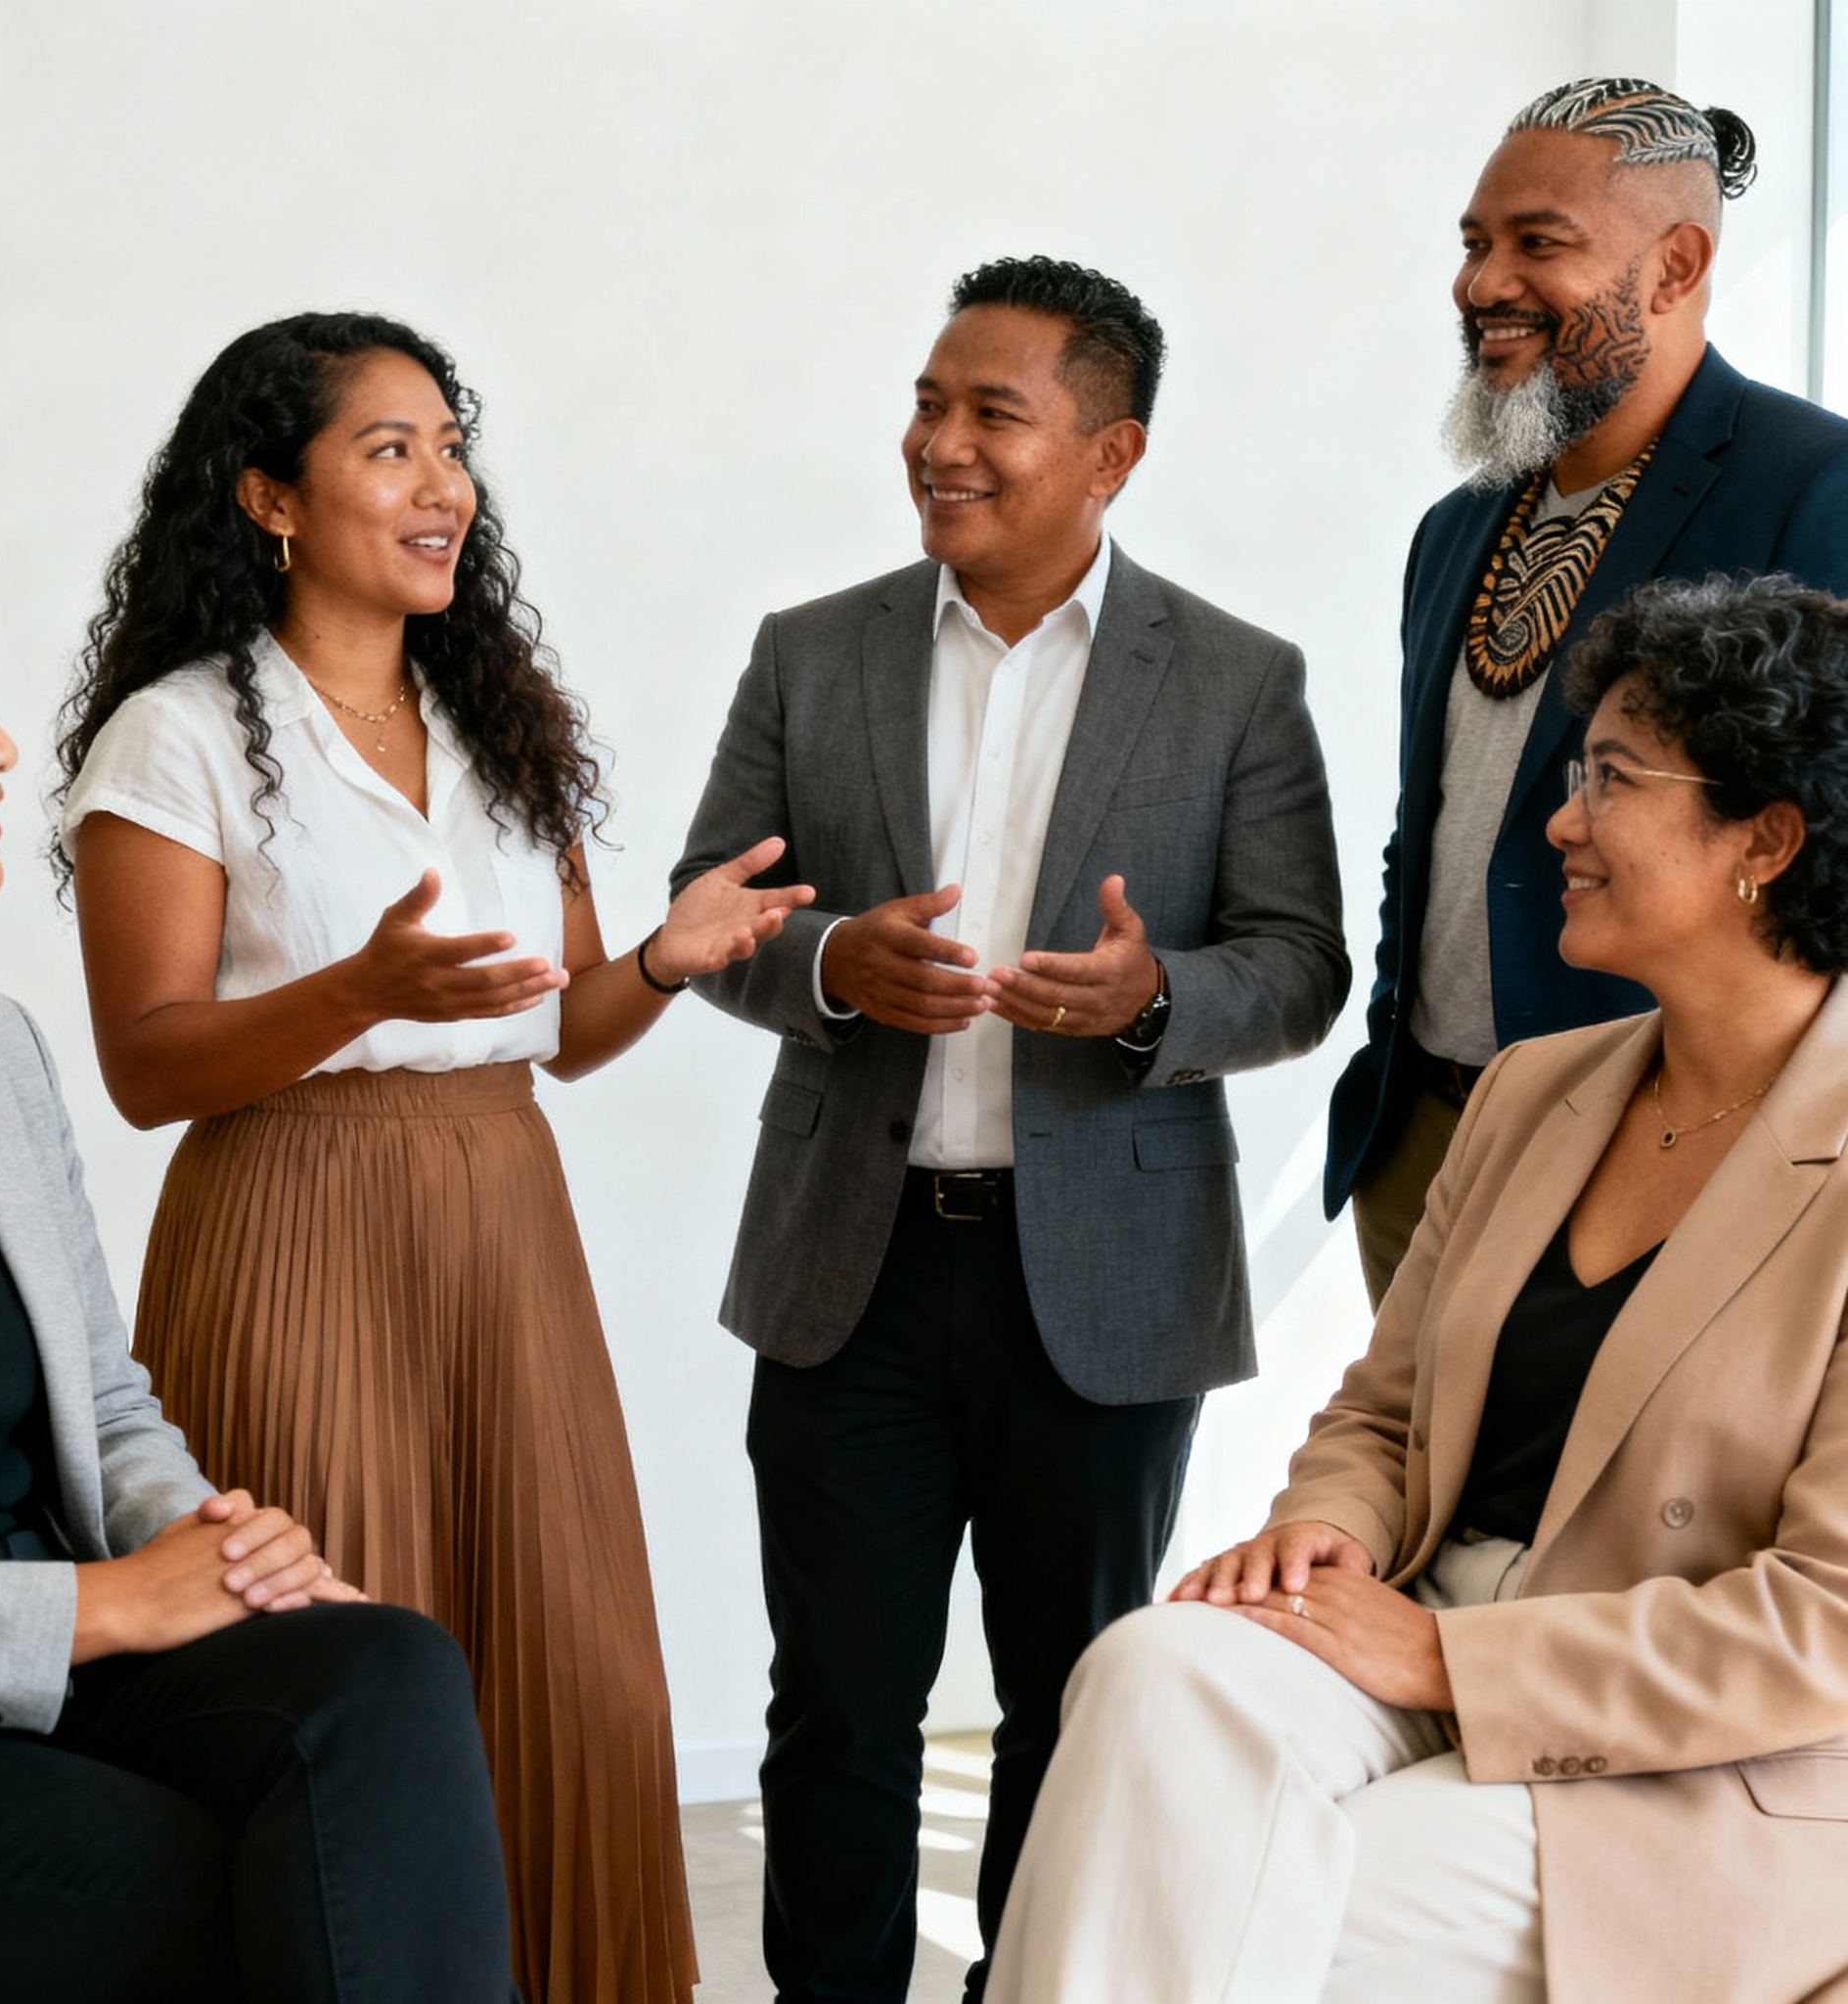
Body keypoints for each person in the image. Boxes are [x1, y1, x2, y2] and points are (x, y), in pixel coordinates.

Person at [54, 311, 812, 2004]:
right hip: (289, 1216)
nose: (442, 485)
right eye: (388, 448)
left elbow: (551, 1025)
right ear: (266, 496)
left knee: (567, 1652)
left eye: (450, 446)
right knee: (342, 1639)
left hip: (500, 1212)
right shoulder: (173, 738)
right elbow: (144, 1063)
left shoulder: (499, 726)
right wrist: (354, 992)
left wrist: (668, 962)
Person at [989, 573, 1848, 2004]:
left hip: (1703, 1767)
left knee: (1260, 1915)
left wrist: (1456, 1656)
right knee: (1149, 1672)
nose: (1560, 822)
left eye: (1614, 781)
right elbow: (1383, 1411)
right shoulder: (1532, 1091)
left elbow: (1824, 1621)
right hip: (1419, 1632)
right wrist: (1320, 1536)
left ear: (1763, 838)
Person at [673, 254, 1349, 2001]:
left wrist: (1146, 1001)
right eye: (926, 401)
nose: (938, 443)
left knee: (1079, 1699)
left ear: (1109, 452)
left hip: (1110, 1289)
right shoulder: (807, 652)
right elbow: (710, 910)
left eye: (991, 412)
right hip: (851, 1269)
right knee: (835, 1698)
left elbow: (1298, 968)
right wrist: (829, 963)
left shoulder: (1232, 680)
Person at [0, 528, 514, 2003]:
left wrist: (215, 1541)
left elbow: (104, 1397)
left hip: (69, 1666)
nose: (3, 744)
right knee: (250, 1882)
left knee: (386, 1670)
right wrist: (109, 1609)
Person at [1327, 77, 1848, 1305]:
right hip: (1423, 1146)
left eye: (1535, 243)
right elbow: (1440, 829)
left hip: (1666, 1156)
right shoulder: (1451, 531)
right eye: (1472, 242)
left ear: (1673, 265)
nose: (1479, 283)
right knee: (1401, 1490)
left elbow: (1829, 857)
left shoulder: (1811, 489)